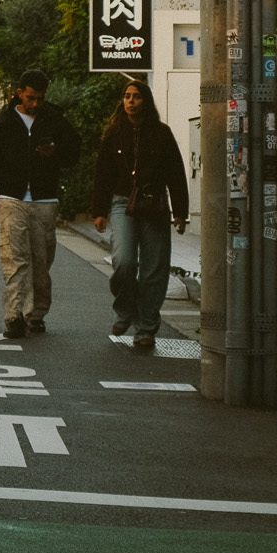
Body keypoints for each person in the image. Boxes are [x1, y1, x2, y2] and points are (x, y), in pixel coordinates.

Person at [0, 68, 81, 340]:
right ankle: (14, 315)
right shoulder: (5, 122)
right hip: (12, 198)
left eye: (40, 99)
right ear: (19, 93)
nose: (35, 104)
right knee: (14, 258)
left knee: (41, 260)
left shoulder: (54, 119)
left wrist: (55, 151)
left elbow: (75, 152)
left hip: (45, 199)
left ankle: (37, 314)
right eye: (31, 98)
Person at [92, 78, 189, 354]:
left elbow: (176, 174)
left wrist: (180, 212)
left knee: (154, 269)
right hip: (123, 203)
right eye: (126, 96)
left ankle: (146, 328)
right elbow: (103, 175)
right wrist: (99, 211)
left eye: (136, 96)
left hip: (154, 203)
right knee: (123, 261)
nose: (130, 101)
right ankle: (124, 311)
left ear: (145, 101)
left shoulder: (162, 133)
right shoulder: (113, 134)